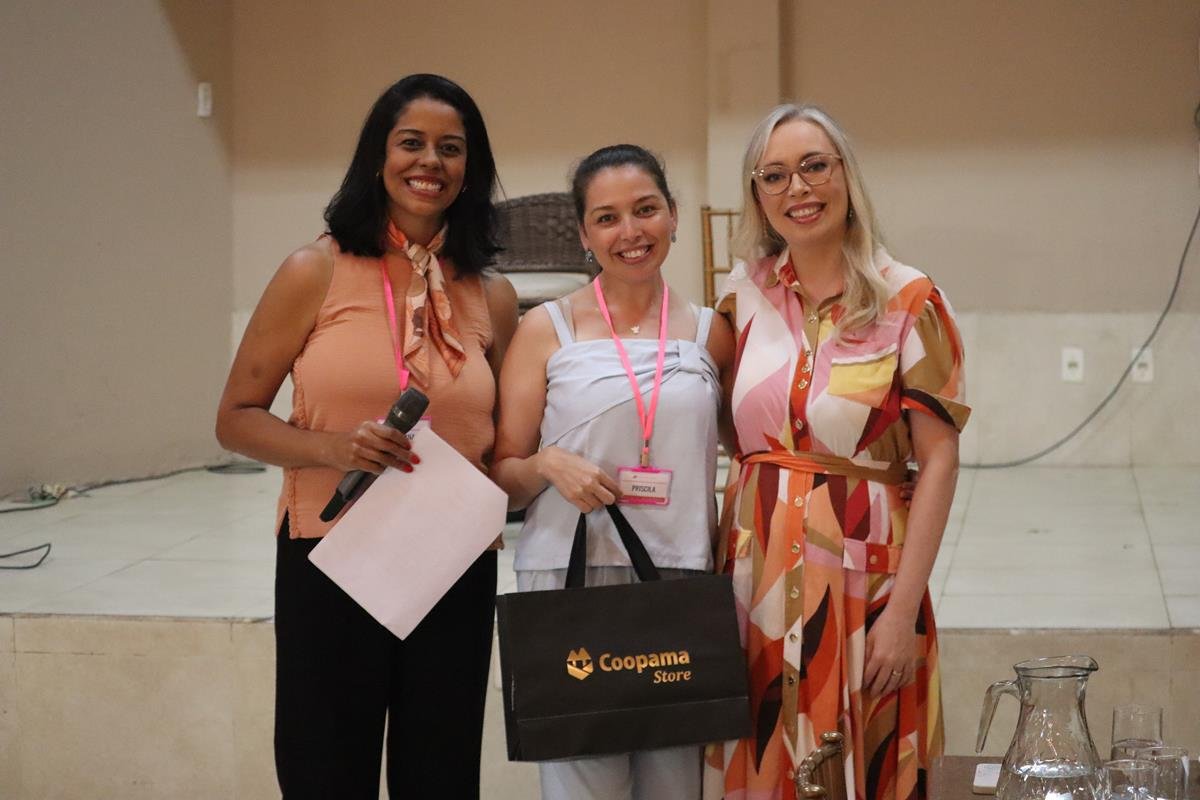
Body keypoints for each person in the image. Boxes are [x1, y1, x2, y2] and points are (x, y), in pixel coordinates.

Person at [214, 74, 517, 799]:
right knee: (326, 771)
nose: (430, 161)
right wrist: (333, 447)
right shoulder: (313, 270)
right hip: (333, 551)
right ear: (377, 157)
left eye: (451, 148)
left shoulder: (491, 294)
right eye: (411, 142)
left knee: (441, 775)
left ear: (470, 168)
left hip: (451, 560)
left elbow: (505, 441)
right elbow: (235, 418)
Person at [703, 104, 970, 800]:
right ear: (757, 194)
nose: (798, 188)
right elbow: (715, 419)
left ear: (846, 173)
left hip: (864, 586)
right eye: (775, 175)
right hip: (753, 584)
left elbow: (939, 460)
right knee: (762, 761)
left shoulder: (909, 298)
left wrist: (902, 612)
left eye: (814, 166)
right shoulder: (743, 295)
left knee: (867, 764)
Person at [491, 144, 735, 800]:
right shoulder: (547, 329)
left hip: (678, 579)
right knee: (583, 786)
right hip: (569, 576)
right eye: (607, 217)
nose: (630, 231)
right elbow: (503, 472)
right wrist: (546, 464)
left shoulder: (711, 332)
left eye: (645, 209)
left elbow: (754, 446)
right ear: (583, 232)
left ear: (673, 215)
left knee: (675, 786)